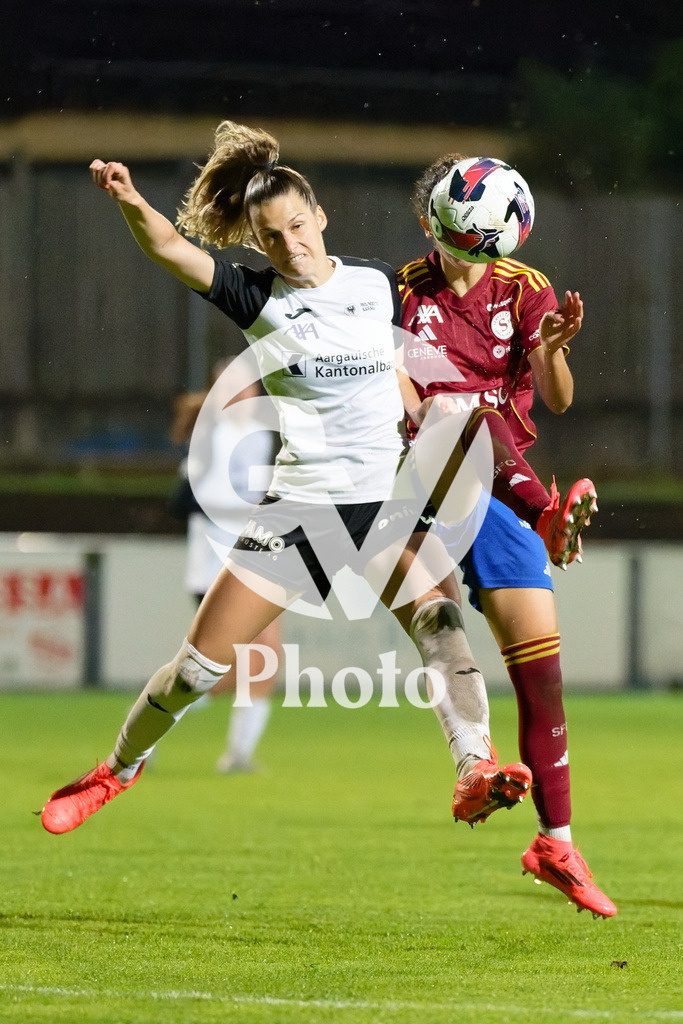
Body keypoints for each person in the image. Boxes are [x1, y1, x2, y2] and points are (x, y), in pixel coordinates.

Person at [41, 121, 531, 840]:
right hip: (298, 516)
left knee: (442, 627)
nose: (290, 245)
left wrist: (429, 407)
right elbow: (172, 248)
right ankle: (117, 767)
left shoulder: (372, 283)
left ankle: (473, 770)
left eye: (297, 226)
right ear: (256, 243)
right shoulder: (257, 299)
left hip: (383, 509)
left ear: (319, 216)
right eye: (271, 237)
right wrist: (128, 200)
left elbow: (396, 364)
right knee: (195, 673)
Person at [396, 153, 616, 918]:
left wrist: (551, 351)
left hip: (498, 492)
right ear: (432, 221)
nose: (454, 249)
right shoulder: (399, 291)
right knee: (462, 413)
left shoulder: (526, 290)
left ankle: (554, 842)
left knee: (541, 674)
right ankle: (549, 518)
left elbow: (554, 400)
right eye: (444, 229)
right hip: (417, 487)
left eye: (469, 239)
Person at [170, 360, 282, 773]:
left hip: (254, 556)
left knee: (266, 658)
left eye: (251, 385)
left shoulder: (254, 435)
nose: (247, 393)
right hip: (216, 562)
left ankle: (238, 753)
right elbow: (200, 500)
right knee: (221, 665)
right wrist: (263, 510)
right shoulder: (213, 433)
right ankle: (158, 711)